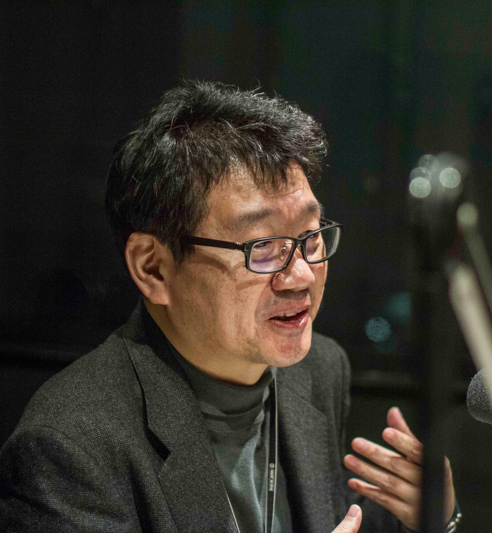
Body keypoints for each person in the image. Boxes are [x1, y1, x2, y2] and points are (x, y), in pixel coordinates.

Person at [0, 80, 458, 532]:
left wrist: (430, 519)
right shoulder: (70, 445)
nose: (301, 275)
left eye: (311, 236)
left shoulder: (318, 369)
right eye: (263, 246)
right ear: (153, 268)